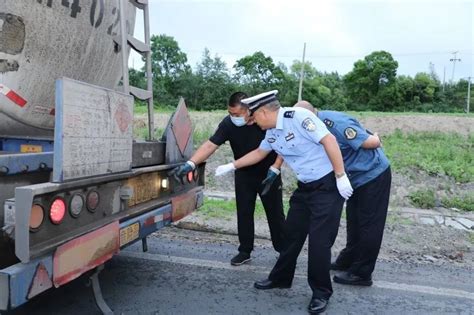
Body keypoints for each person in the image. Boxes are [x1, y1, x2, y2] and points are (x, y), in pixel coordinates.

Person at [215, 91, 353, 314]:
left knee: (319, 243)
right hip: (306, 187)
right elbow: (260, 153)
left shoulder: (297, 117)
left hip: (327, 187)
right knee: (291, 235)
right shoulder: (271, 132)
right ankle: (280, 278)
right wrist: (232, 166)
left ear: (264, 112)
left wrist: (340, 175)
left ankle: (320, 293)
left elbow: (329, 140)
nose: (252, 122)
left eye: (253, 117)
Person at [170, 92, 286, 266]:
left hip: (269, 174)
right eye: (230, 113)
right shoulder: (228, 124)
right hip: (243, 174)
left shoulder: (265, 121)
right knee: (244, 213)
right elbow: (211, 144)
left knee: (275, 214)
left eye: (237, 114)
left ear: (249, 110)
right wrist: (191, 163)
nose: (233, 118)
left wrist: (276, 168)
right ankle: (245, 251)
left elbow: (283, 145)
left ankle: (283, 250)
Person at [294, 101, 391, 287]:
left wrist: (376, 137)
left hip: (372, 174)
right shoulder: (311, 127)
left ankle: (362, 273)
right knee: (354, 222)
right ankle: (347, 260)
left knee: (369, 225)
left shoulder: (333, 122)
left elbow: (371, 142)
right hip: (352, 178)